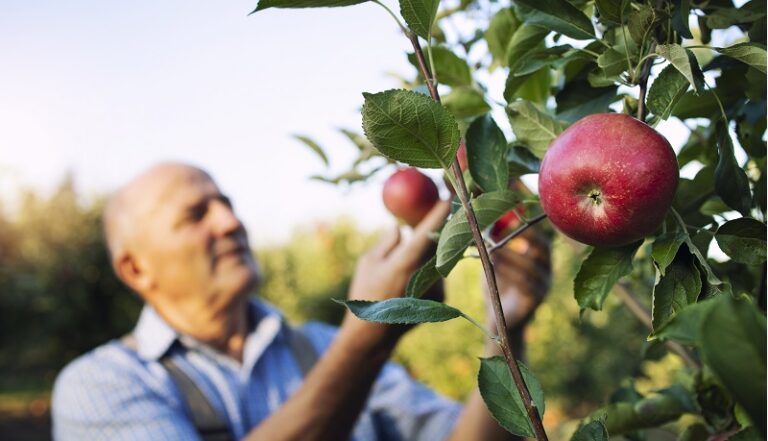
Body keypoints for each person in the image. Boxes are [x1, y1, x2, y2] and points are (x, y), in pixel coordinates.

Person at [51, 162, 550, 441]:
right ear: (136, 268)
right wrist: (367, 340)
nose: (229, 222)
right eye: (195, 215)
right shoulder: (99, 387)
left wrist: (504, 326)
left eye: (226, 204)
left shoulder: (318, 346)